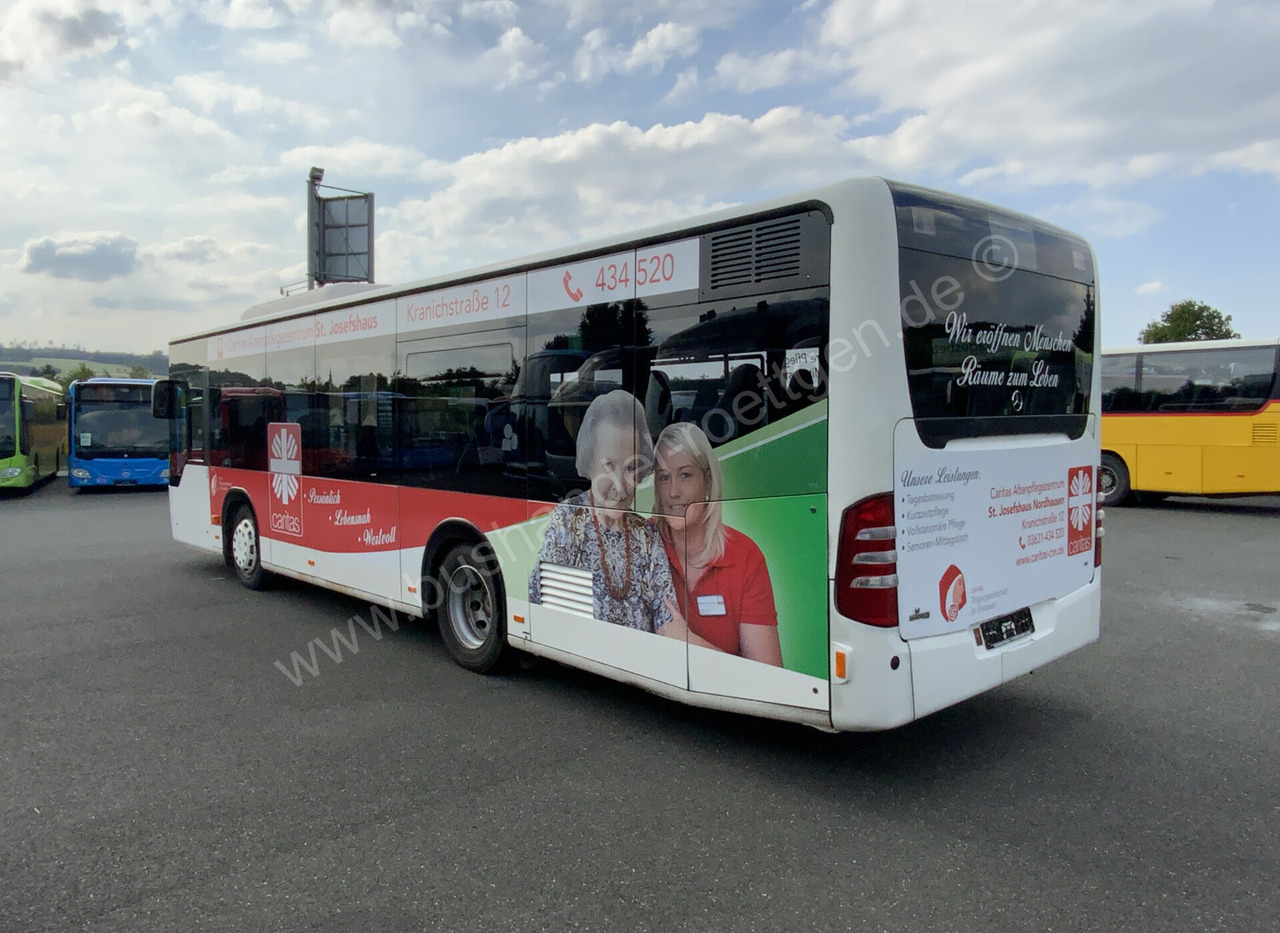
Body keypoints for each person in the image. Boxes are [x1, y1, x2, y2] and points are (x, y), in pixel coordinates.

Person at [528, 390, 679, 634]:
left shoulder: (646, 535)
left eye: (631, 467)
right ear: (590, 461)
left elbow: (667, 618)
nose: (620, 484)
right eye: (609, 465)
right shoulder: (568, 521)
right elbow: (544, 606)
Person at [652, 422, 783, 666]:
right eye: (663, 477)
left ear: (708, 483)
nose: (673, 491)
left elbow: (769, 677)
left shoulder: (745, 557)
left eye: (685, 475)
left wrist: (689, 644)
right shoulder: (641, 543)